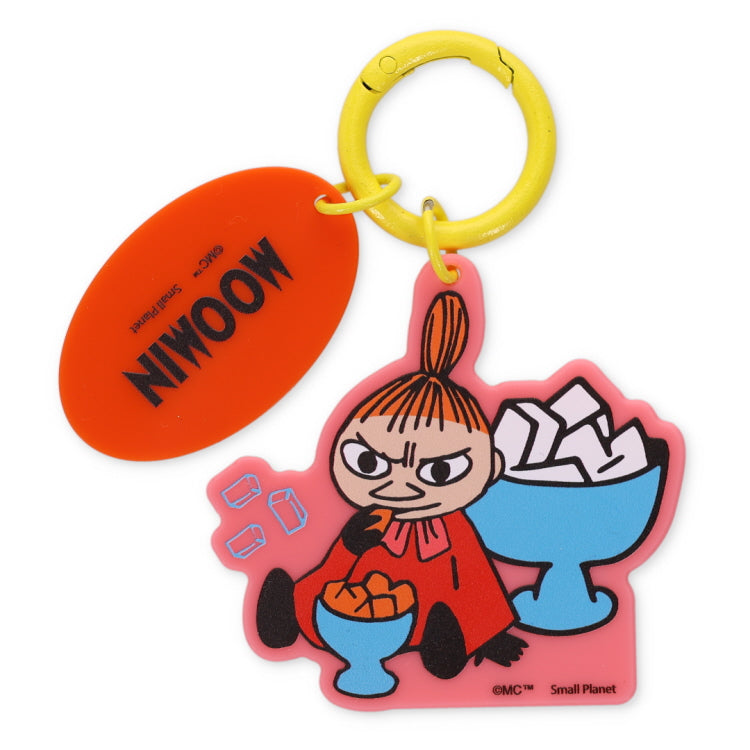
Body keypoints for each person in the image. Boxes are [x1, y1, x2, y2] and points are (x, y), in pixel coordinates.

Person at [257, 291, 526, 680]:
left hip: (431, 615)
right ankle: (291, 612)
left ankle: (446, 648)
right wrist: (351, 544)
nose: (399, 485)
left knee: (442, 620)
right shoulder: (370, 521)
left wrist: (489, 634)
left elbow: (475, 577)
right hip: (356, 609)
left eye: (438, 471)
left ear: (491, 467)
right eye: (370, 463)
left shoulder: (453, 529)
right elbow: (335, 568)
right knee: (328, 601)